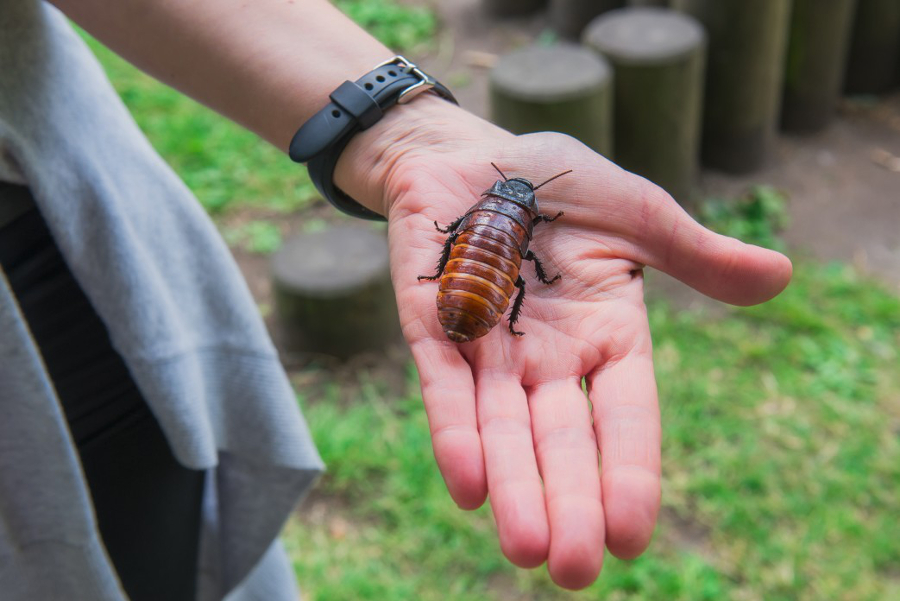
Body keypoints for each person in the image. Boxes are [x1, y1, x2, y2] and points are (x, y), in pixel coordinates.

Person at [0, 0, 792, 598]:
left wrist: (405, 133)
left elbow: (483, 242)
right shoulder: (513, 230)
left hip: (49, 246)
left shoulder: (492, 221)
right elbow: (505, 255)